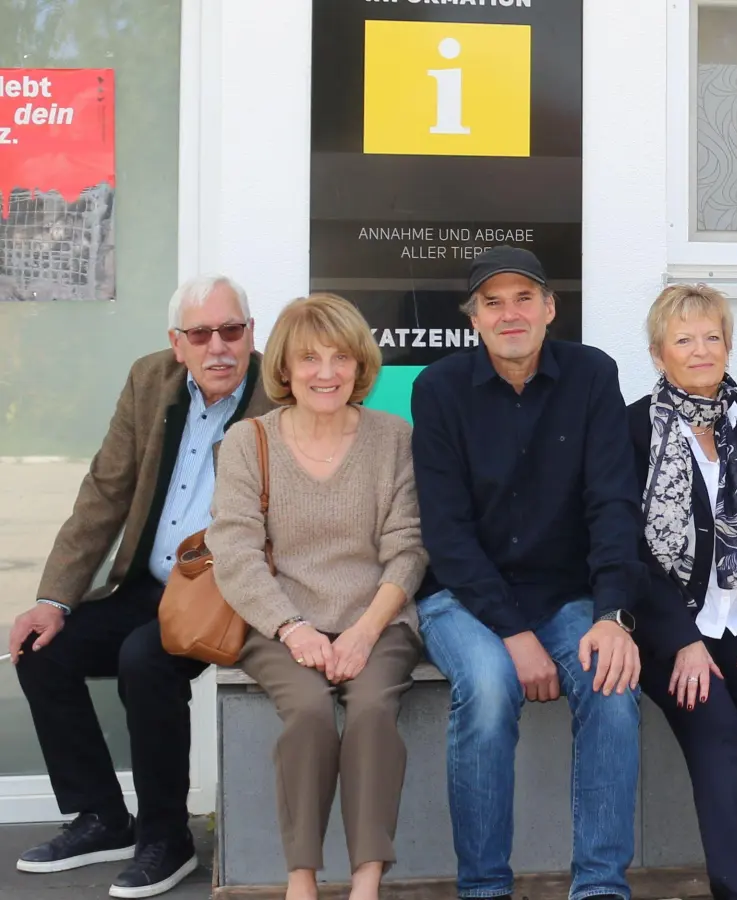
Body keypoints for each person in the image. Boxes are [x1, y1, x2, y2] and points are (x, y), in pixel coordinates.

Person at [8, 276, 274, 898]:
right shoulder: (149, 379)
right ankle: (103, 816)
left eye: (232, 331)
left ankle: (166, 836)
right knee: (42, 650)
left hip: (228, 594)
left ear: (251, 334)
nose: (219, 348)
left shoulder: (277, 395)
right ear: (176, 343)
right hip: (149, 585)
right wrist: (54, 599)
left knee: (144, 660)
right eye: (200, 334)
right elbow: (105, 491)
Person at [410, 245, 646, 900]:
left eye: (523, 298)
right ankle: (484, 889)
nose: (509, 313)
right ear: (474, 319)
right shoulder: (438, 390)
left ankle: (600, 886)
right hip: (465, 599)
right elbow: (446, 534)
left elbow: (613, 503)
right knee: (487, 690)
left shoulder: (592, 375)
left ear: (549, 308)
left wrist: (613, 615)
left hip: (567, 595)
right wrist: (513, 634)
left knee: (611, 682)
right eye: (493, 302)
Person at [208, 293, 427, 900]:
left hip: (378, 619)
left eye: (339, 358)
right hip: (281, 623)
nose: (325, 373)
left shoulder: (393, 438)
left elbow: (408, 548)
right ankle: (300, 880)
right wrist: (294, 629)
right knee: (307, 712)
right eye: (309, 359)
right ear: (284, 368)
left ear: (360, 366)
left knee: (372, 711)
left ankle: (366, 882)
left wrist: (362, 632)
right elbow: (237, 552)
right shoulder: (247, 443)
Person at [627, 283, 737, 900]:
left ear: (729, 346)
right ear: (658, 354)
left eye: (712, 337)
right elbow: (629, 549)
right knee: (718, 730)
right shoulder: (633, 430)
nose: (701, 350)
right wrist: (679, 638)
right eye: (684, 339)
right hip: (671, 634)